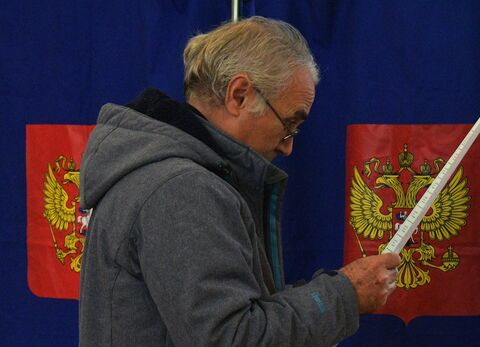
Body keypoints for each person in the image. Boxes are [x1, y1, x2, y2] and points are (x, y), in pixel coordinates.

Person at [78, 16, 401, 347]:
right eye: (290, 123)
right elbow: (231, 338)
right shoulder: (182, 189)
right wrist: (342, 296)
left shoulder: (167, 175)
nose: (288, 146)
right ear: (240, 94)